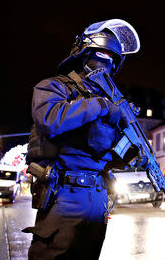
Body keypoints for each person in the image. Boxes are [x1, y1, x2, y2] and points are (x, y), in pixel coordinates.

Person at [22, 19, 141, 259]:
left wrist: (132, 150)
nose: (105, 62)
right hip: (64, 194)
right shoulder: (55, 87)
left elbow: (111, 156)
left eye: (112, 58)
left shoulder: (111, 108)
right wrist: (99, 105)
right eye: (100, 53)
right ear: (83, 54)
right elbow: (49, 119)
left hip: (97, 198)